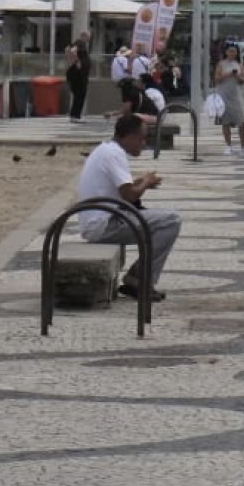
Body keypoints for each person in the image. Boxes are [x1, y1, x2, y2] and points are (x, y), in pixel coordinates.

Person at [76, 113, 179, 301]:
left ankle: (138, 276)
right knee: (171, 221)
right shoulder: (114, 154)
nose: (144, 144)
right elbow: (129, 195)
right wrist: (146, 182)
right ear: (129, 137)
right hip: (103, 225)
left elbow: (122, 188)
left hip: (99, 220)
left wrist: (141, 182)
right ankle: (140, 279)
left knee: (161, 219)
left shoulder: (106, 149)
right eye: (141, 138)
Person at [213, 43, 244, 155]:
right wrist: (228, 74)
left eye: (234, 51)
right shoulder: (221, 64)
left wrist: (237, 76)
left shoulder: (239, 65)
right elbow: (217, 79)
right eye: (230, 51)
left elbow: (242, 81)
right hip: (224, 94)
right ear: (226, 52)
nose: (232, 53)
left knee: (242, 120)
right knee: (225, 121)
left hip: (236, 95)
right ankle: (228, 146)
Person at [64, 36, 92, 121]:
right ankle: (75, 115)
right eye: (87, 37)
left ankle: (75, 114)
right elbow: (71, 50)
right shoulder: (80, 44)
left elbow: (68, 49)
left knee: (79, 95)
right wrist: (77, 61)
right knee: (79, 95)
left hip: (79, 75)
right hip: (78, 75)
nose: (89, 39)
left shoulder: (79, 45)